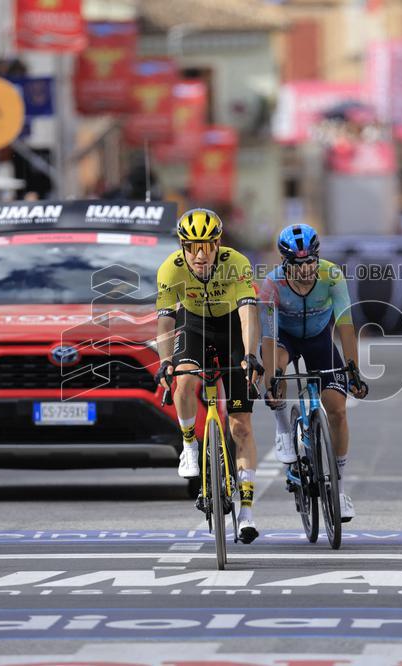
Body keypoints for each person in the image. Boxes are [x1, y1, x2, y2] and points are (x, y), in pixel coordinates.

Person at [154, 208, 264, 543]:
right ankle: (189, 444)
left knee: (240, 426)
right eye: (192, 247)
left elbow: (248, 313)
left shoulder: (236, 263)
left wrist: (250, 354)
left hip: (231, 329)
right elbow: (165, 321)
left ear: (218, 244)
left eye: (207, 246)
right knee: (184, 379)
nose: (200, 255)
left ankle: (247, 513)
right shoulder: (170, 269)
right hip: (195, 327)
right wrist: (165, 361)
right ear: (183, 247)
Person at [259, 224, 368, 522]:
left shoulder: (331, 276)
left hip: (319, 338)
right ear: (285, 263)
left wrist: (354, 370)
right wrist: (270, 379)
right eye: (299, 264)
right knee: (276, 373)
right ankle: (283, 428)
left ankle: (340, 490)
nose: (306, 270)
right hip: (284, 339)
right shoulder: (272, 285)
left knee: (338, 411)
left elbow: (345, 325)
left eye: (311, 262)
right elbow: (268, 337)